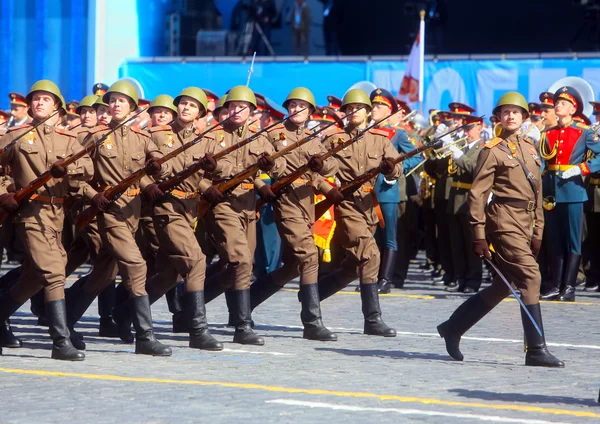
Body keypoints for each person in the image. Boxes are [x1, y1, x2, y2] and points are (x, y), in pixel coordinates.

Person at [437, 91, 564, 368]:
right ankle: (536, 349)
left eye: (515, 112)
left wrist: (538, 230)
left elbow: (537, 193)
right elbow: (478, 195)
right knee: (531, 277)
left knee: (503, 286)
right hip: (503, 220)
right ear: (498, 117)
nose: (510, 116)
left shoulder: (531, 149)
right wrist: (479, 234)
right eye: (505, 112)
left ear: (523, 117)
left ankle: (452, 327)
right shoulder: (491, 150)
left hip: (527, 221)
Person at [113, 87, 228, 350]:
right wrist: (146, 185)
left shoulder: (204, 140)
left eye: (192, 105)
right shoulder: (156, 135)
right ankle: (197, 330)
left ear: (200, 112)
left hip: (189, 210)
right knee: (196, 262)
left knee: (171, 273)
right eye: (183, 104)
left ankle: (124, 312)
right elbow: (134, 168)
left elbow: (209, 173)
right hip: (165, 209)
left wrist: (209, 180)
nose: (186, 108)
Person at [65, 80, 173, 357]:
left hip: (132, 211)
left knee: (104, 272)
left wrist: (156, 167)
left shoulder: (142, 137)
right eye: (112, 100)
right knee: (136, 266)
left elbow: (156, 163)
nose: (114, 105)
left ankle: (62, 322)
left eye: (121, 101)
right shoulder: (94, 136)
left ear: (133, 107)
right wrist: (92, 195)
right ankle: (145, 337)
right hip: (108, 210)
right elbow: (76, 174)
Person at [0, 80, 94, 360]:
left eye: (46, 99)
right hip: (31, 212)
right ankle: (60, 341)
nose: (39, 103)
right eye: (36, 99)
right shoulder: (15, 136)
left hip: (58, 215)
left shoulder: (67, 140)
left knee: (33, 277)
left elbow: (86, 169)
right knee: (54, 273)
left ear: (57, 106)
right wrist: (4, 193)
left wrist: (66, 170)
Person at [250, 87, 339, 341]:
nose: (296, 110)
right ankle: (312, 322)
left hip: (307, 203)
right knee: (309, 256)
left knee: (293, 266)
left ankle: (246, 304)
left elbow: (323, 169)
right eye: (292, 106)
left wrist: (327, 188)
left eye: (302, 106)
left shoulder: (313, 140)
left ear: (310, 111)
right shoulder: (272, 135)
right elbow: (252, 165)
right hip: (285, 201)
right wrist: (262, 185)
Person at [201, 85, 285, 345]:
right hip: (221, 205)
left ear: (252, 112)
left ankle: (189, 303)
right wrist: (208, 188)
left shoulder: (258, 138)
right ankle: (242, 324)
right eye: (232, 107)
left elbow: (275, 166)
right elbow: (194, 175)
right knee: (242, 260)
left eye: (242, 107)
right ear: (225, 110)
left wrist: (265, 180)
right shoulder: (212, 137)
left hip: (248, 207)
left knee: (234, 266)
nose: (236, 111)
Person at [315, 88, 401, 338]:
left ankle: (313, 296)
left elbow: (397, 170)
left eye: (358, 108)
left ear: (367, 112)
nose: (353, 112)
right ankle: (372, 319)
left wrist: (390, 169)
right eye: (349, 109)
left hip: (368, 205)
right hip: (344, 203)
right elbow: (319, 167)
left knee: (355, 265)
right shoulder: (334, 139)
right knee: (371, 254)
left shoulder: (380, 139)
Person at [539, 86, 600, 302]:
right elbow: (542, 162)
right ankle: (555, 285)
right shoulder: (547, 133)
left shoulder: (584, 132)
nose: (557, 105)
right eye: (557, 102)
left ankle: (570, 287)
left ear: (573, 108)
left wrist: (583, 168)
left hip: (573, 190)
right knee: (554, 239)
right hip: (550, 191)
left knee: (573, 241)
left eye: (563, 103)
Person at [367, 89, 421, 294]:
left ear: (389, 111)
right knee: (369, 237)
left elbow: (417, 156)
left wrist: (397, 170)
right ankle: (370, 276)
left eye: (379, 106)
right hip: (365, 192)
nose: (374, 109)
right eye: (373, 105)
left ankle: (386, 279)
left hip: (386, 191)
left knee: (389, 237)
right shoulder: (365, 131)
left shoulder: (397, 134)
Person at [445, 115, 484, 293]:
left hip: (469, 200)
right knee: (456, 243)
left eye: (470, 129)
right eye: (465, 129)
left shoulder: (483, 149)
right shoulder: (462, 147)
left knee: (470, 244)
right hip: (455, 199)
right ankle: (461, 278)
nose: (467, 133)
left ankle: (473, 280)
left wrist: (459, 156)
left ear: (480, 128)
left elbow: (477, 169)